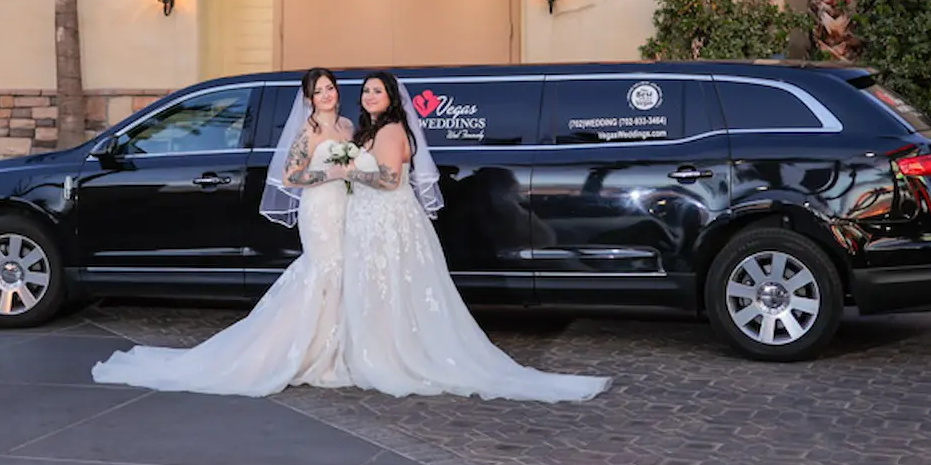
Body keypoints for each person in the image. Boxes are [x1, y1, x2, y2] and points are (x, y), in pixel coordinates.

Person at [335, 71, 611, 402]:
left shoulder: (392, 131)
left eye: (377, 91)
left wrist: (351, 172)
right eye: (366, 91)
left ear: (392, 97)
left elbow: (390, 179)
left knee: (388, 285)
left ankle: (386, 355)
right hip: (373, 218)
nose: (369, 96)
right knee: (384, 286)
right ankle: (378, 349)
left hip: (386, 219)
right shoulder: (374, 130)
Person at [91, 68, 354, 394]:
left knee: (342, 273)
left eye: (330, 88)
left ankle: (337, 349)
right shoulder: (308, 131)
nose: (327, 95)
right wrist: (330, 174)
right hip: (319, 209)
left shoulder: (346, 127)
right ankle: (310, 354)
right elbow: (290, 177)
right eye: (319, 91)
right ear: (309, 99)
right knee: (323, 272)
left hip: (343, 207)